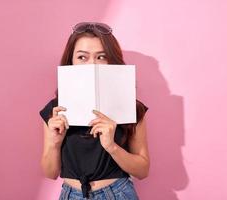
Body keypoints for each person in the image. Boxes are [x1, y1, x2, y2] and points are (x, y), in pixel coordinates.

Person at [39, 22, 149, 200]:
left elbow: (143, 171)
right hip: (70, 195)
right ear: (71, 61)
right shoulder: (56, 111)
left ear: (111, 61)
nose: (92, 64)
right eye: (82, 57)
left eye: (101, 57)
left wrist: (112, 147)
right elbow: (50, 173)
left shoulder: (131, 108)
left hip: (117, 193)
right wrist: (54, 143)